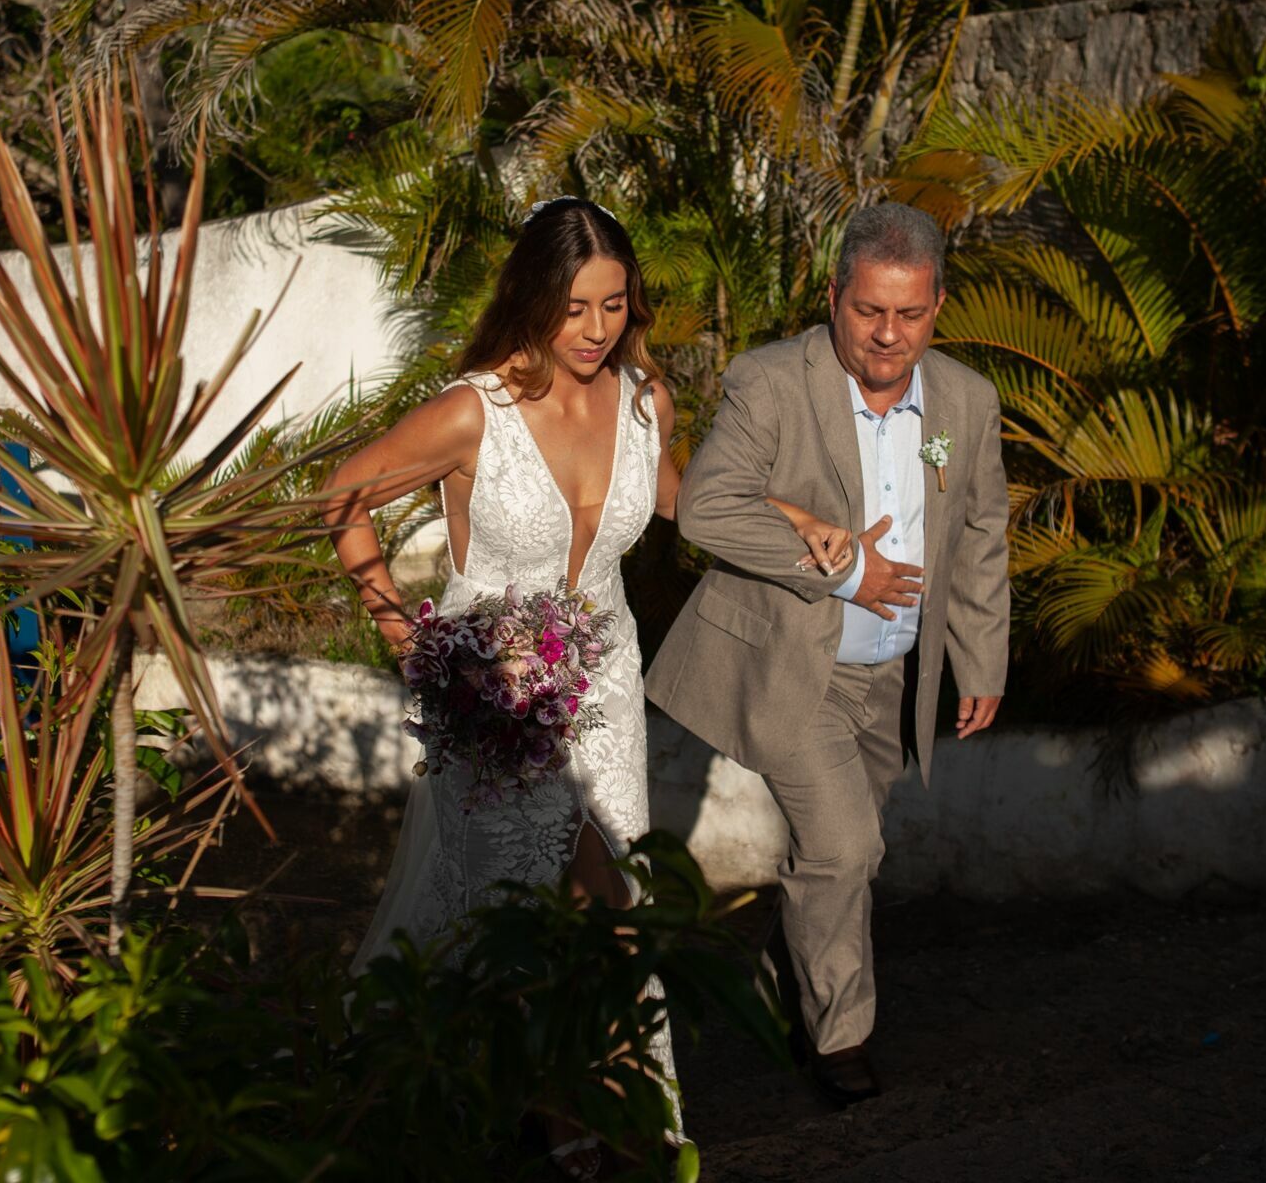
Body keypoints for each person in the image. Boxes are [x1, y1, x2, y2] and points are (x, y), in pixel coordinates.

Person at [323, 196, 839, 1176]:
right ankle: (595, 1125)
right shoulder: (476, 409)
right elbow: (340, 496)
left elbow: (688, 499)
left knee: (597, 904)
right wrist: (411, 641)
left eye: (613, 304)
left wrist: (800, 522)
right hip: (496, 696)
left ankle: (567, 1120)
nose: (598, 329)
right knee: (561, 909)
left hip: (603, 685)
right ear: (533, 300)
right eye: (577, 308)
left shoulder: (645, 400)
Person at [645, 202, 1011, 1110]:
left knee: (839, 858)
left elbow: (980, 532)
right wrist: (847, 572)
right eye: (869, 311)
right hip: (795, 663)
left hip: (896, 674)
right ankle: (839, 1038)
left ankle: (793, 955)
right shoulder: (772, 383)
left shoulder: (965, 399)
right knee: (847, 847)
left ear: (939, 306)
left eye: (911, 314)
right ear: (836, 294)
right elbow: (707, 509)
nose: (889, 336)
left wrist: (983, 658)